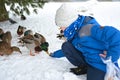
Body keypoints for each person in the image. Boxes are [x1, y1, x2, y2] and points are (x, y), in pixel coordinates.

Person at [53, 3, 120, 80]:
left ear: (68, 23)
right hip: (88, 59)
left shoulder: (88, 29)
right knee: (66, 46)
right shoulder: (74, 31)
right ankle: (84, 67)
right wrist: (54, 54)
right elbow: (68, 50)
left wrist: (111, 57)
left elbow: (117, 36)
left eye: (61, 26)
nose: (61, 29)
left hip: (100, 63)